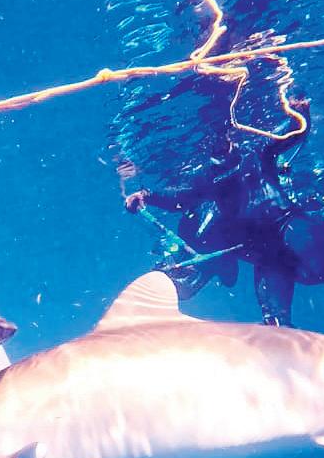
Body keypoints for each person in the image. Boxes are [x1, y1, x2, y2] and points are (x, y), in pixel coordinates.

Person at [125, 100, 313, 327]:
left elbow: (288, 135)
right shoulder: (207, 178)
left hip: (288, 227)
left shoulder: (256, 153)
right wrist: (147, 196)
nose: (219, 145)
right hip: (264, 250)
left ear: (232, 138)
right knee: (276, 323)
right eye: (213, 142)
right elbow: (179, 198)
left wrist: (299, 114)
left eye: (222, 139)